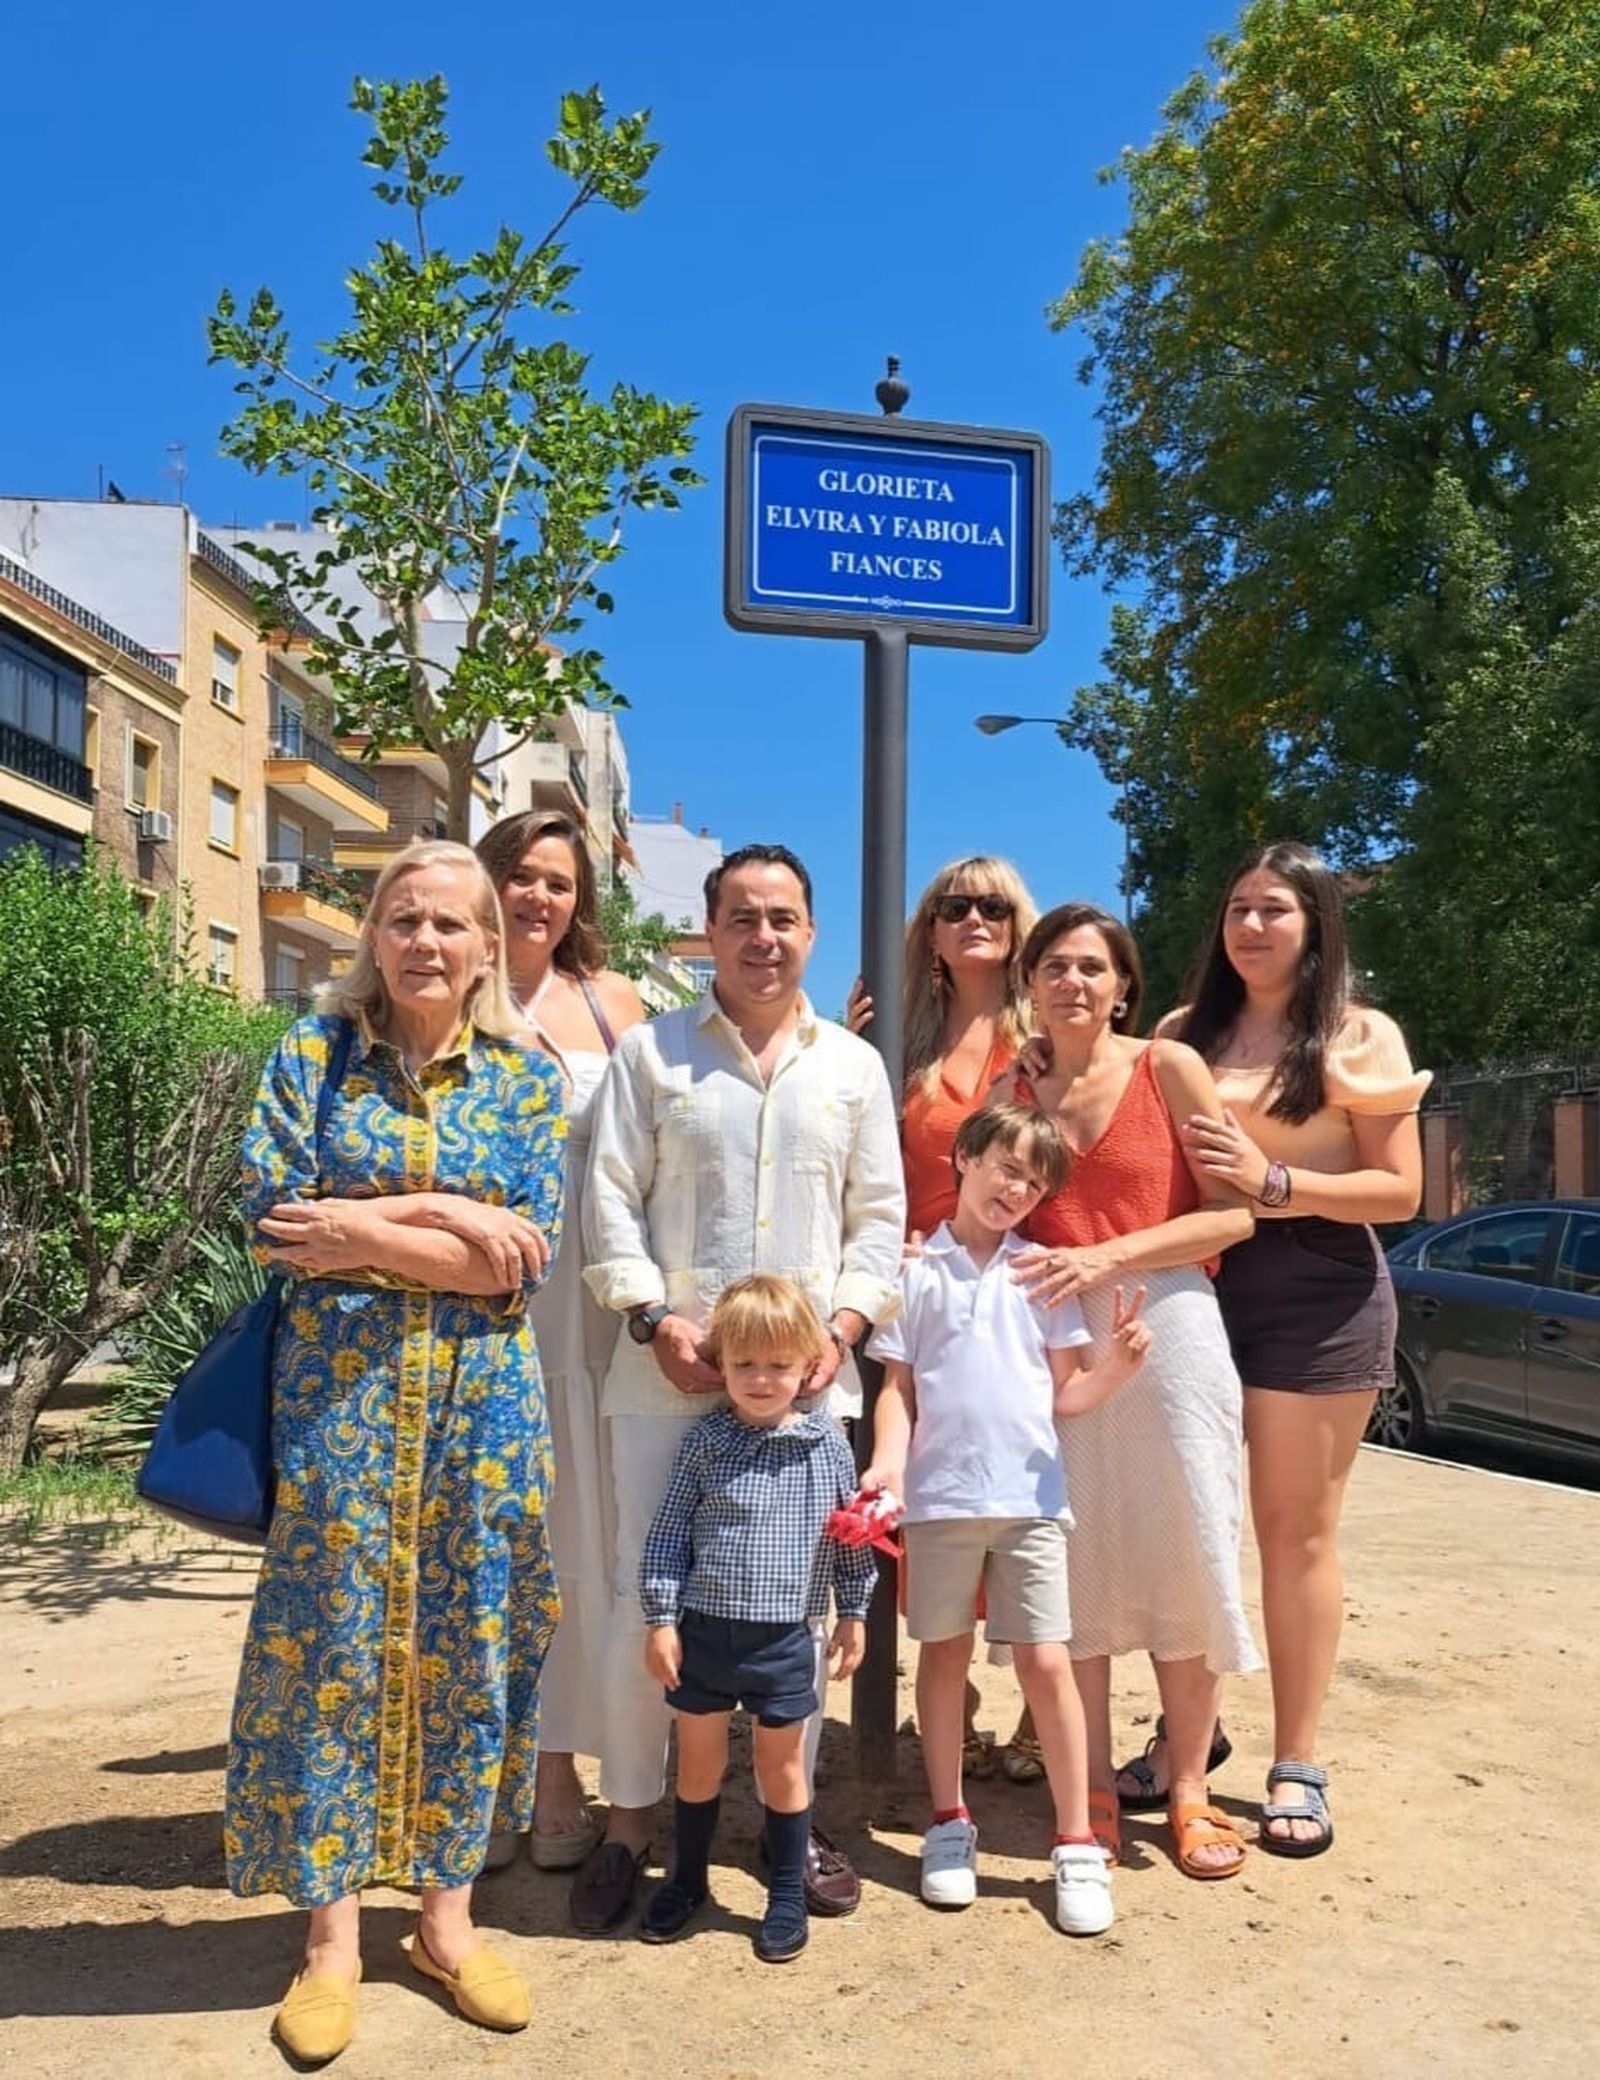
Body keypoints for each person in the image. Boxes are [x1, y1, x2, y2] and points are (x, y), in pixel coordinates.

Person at [230, 841, 566, 2062]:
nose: (427, 941)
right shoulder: (311, 1059)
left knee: (468, 1640)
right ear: (372, 934)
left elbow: (517, 1264)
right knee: (330, 1643)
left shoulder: (530, 1081)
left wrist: (367, 1225)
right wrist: (446, 1213)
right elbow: (275, 1220)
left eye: (452, 925)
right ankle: (328, 1941)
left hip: (481, 1418)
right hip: (340, 1411)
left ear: (486, 949)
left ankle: (446, 1922)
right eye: (405, 919)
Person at [576, 841, 905, 1933]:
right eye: (742, 917)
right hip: (665, 1379)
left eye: (783, 918)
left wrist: (845, 1330)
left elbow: (879, 1220)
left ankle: (783, 1836)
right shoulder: (650, 1054)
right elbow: (608, 1198)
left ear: (811, 933)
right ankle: (631, 1824)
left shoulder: (852, 1069)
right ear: (708, 931)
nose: (763, 936)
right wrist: (648, 1317)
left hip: (806, 1393)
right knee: (646, 1599)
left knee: (794, 1613)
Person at [1137, 841, 1428, 1857]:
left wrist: (1273, 1182)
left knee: (1291, 1533)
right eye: (1237, 907)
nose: (1251, 926)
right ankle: (1187, 1738)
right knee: (1188, 1522)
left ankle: (1295, 1760)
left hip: (1317, 1286)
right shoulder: (1180, 1033)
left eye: (1274, 909)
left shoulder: (1359, 1033)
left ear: (1314, 925)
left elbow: (1399, 1193)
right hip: (1196, 1283)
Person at [998, 902, 1259, 1880]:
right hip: (1056, 1342)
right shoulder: (1014, 1085)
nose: (1073, 983)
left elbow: (1233, 1214)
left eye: (1091, 968)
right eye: (1055, 966)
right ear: (1030, 984)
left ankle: (1188, 1787)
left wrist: (1110, 1252)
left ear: (1122, 986)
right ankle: (1095, 1788)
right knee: (1080, 1567)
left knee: (1186, 1547)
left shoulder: (1167, 1067)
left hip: (1171, 1329)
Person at [863, 1102, 1151, 1934]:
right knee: (943, 1657)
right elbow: (899, 1394)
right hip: (940, 1501)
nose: (1016, 1188)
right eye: (1005, 1167)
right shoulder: (911, 1272)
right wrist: (888, 1468)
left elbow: (1069, 1393)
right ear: (964, 1157)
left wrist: (1119, 1369)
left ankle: (1074, 1842)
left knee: (1046, 1664)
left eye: (1033, 1181)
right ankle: (949, 1823)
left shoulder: (1041, 1274)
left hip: (1029, 1503)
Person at [476, 810, 645, 1871]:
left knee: (589, 1548)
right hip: (489, 1312)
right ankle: (495, 1779)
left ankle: (570, 1770)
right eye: (520, 876)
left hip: (601, 1313)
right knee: (500, 1547)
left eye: (558, 883)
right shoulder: (447, 989)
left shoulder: (613, 1002)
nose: (538, 898)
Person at [848, 855, 1041, 1782]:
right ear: (928, 929)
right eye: (953, 905)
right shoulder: (896, 1038)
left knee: (1038, 1501)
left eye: (993, 904)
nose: (975, 918)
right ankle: (950, 1704)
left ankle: (1043, 1718)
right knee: (930, 1495)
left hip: (1027, 1293)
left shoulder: (1045, 1036)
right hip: (922, 1291)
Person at [635, 1275, 873, 1962]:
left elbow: (849, 1537)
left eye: (778, 1365)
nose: (761, 1380)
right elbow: (668, 1535)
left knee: (783, 1768)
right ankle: (686, 1881)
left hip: (785, 1639)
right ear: (722, 1366)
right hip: (704, 1634)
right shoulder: (707, 1442)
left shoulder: (826, 1446)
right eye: (745, 1364)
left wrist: (854, 1614)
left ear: (808, 1366)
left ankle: (786, 1896)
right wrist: (660, 1619)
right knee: (699, 1766)